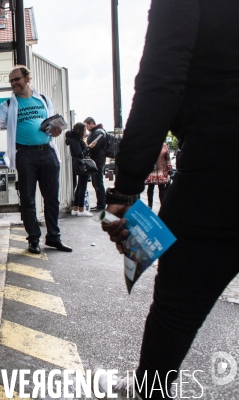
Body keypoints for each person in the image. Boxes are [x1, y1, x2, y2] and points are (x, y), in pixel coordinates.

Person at [100, 0, 239, 398]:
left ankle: (149, 389)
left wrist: (125, 188)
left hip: (219, 173)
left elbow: (161, 81)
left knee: (176, 312)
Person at [0, 65, 72, 254]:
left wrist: (55, 130)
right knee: (28, 200)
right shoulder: (8, 105)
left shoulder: (44, 100)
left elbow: (52, 124)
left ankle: (54, 237)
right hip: (25, 154)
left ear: (27, 78)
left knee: (52, 198)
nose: (14, 83)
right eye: (11, 81)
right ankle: (34, 239)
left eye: (17, 79)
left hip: (47, 152)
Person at [65, 122, 97, 217]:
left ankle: (76, 208)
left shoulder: (75, 139)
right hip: (81, 164)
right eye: (84, 130)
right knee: (82, 187)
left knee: (79, 186)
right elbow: (80, 154)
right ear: (79, 130)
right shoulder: (76, 140)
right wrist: (89, 147)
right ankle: (81, 209)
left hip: (78, 164)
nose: (85, 131)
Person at [84, 117, 107, 212]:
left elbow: (94, 145)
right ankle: (100, 204)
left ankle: (101, 205)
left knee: (98, 182)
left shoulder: (98, 132)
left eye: (86, 125)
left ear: (91, 123)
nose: (86, 128)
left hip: (98, 160)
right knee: (96, 182)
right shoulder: (95, 132)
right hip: (97, 159)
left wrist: (87, 144)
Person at [144, 142, 172, 209]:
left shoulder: (164, 145)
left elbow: (168, 159)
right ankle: (150, 205)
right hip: (152, 170)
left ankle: (163, 205)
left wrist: (169, 170)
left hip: (161, 170)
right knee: (151, 187)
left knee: (161, 187)